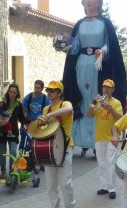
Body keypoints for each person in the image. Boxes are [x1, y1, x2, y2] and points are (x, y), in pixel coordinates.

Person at [62, 0, 127, 157]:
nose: (89, 1)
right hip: (81, 65)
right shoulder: (79, 24)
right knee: (82, 100)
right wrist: (65, 43)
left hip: (98, 67)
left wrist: (103, 51)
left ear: (99, 1)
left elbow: (110, 44)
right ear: (82, 2)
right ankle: (80, 140)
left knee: (96, 100)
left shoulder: (105, 23)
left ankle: (97, 142)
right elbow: (75, 48)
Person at [42, 80, 76, 208]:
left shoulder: (65, 103)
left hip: (65, 148)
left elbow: (69, 109)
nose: (49, 93)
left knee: (65, 183)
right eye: (48, 90)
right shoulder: (46, 109)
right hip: (49, 149)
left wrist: (51, 115)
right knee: (50, 185)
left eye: (53, 90)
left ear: (59, 93)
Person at [87, 79, 123, 199]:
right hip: (99, 137)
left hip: (112, 137)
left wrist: (109, 107)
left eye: (108, 87)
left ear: (113, 89)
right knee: (102, 163)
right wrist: (93, 103)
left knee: (111, 163)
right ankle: (104, 186)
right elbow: (89, 115)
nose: (106, 89)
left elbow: (119, 118)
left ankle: (112, 189)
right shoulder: (98, 102)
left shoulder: (116, 102)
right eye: (104, 87)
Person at [0, 83, 25, 179]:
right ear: (8, 92)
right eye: (10, 92)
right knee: (3, 152)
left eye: (14, 92)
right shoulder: (2, 102)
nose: (12, 94)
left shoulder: (18, 104)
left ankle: (12, 170)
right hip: (2, 132)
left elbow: (22, 118)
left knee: (13, 152)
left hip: (13, 131)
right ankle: (3, 171)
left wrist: (24, 125)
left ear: (17, 93)